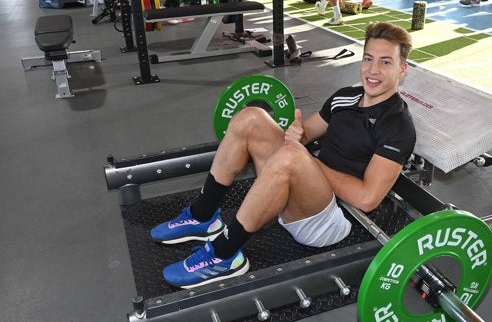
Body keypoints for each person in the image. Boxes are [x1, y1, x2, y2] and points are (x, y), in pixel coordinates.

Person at [150, 22, 417, 289]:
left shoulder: (397, 125)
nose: (373, 70)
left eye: (385, 63)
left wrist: (303, 159)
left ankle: (224, 255)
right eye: (369, 59)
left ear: (402, 69)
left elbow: (367, 199)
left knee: (292, 157)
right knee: (251, 117)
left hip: (333, 219)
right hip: (302, 189)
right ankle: (203, 215)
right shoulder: (344, 97)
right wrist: (296, 135)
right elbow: (307, 133)